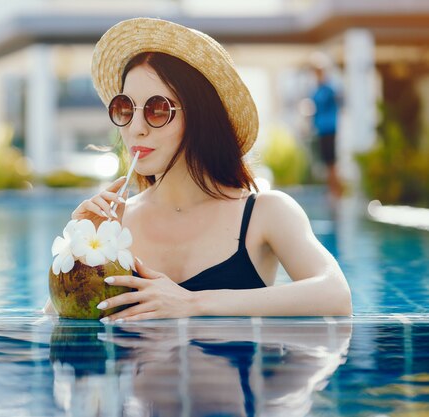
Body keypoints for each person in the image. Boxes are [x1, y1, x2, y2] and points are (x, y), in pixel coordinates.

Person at [45, 17, 352, 321]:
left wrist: (193, 304)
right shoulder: (116, 227)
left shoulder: (265, 213)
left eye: (156, 110)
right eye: (126, 108)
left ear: (201, 117)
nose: (135, 128)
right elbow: (56, 327)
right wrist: (78, 254)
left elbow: (335, 295)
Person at [310, 60, 343, 198]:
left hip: (329, 128)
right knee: (327, 162)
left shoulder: (329, 90)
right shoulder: (316, 90)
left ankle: (336, 191)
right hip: (321, 130)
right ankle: (332, 189)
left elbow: (338, 103)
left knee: (331, 162)